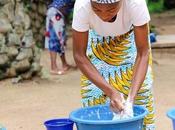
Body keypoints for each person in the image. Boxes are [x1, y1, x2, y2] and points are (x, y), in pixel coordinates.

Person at [72, 0, 155, 129]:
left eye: (111, 10)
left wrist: (131, 99)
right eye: (97, 10)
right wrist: (111, 92)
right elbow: (79, 56)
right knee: (95, 97)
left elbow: (143, 53)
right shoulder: (82, 6)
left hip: (132, 39)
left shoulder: (135, 3)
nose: (104, 16)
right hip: (97, 45)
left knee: (140, 99)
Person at [45, 0, 75, 75]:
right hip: (56, 14)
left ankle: (64, 64)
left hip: (53, 12)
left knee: (60, 40)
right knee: (54, 40)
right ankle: (53, 68)